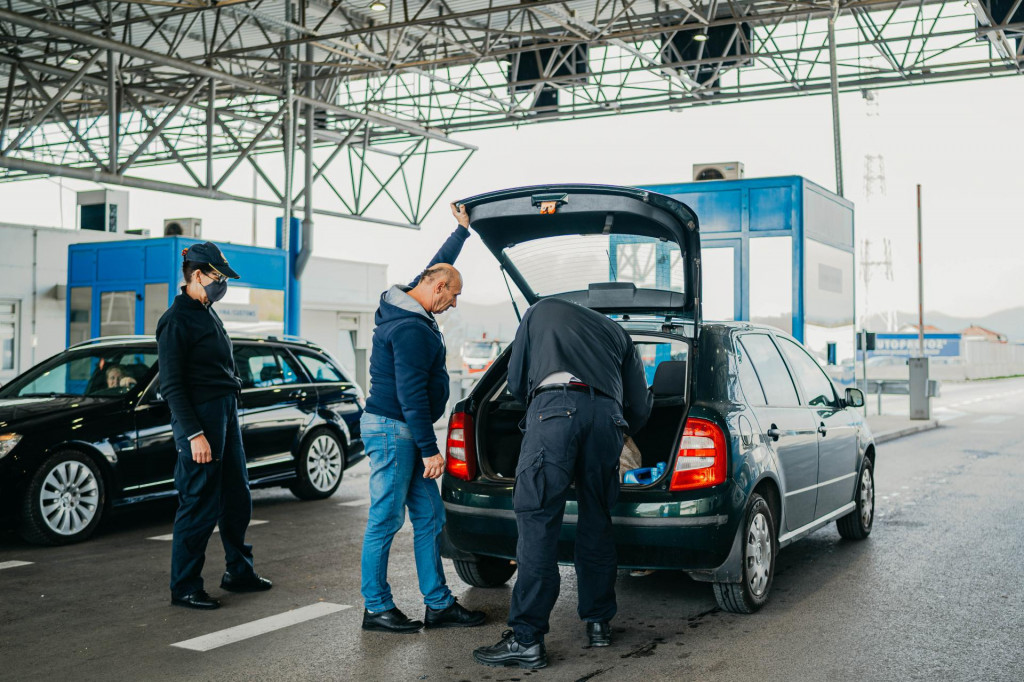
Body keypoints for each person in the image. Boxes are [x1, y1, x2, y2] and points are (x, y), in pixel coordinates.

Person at [473, 298, 653, 669]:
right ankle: (599, 623)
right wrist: (617, 427)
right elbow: (640, 404)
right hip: (608, 420)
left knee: (538, 521)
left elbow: (516, 379)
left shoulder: (540, 311)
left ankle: (527, 639)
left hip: (555, 409)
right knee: (597, 518)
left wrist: (543, 410)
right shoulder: (618, 334)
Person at [360, 203, 486, 634]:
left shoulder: (409, 302)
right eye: (450, 299)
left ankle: (438, 604)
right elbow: (410, 395)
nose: (449, 307)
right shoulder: (412, 328)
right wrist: (429, 450)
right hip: (396, 429)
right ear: (436, 289)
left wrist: (461, 232)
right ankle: (376, 607)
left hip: (401, 427)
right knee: (385, 519)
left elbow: (437, 267)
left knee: (430, 516)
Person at [156, 242, 272, 610]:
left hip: (224, 414)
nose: (222, 284)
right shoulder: (176, 320)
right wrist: (193, 433)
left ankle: (238, 572)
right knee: (199, 502)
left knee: (237, 498)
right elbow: (171, 384)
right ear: (197, 275)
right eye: (218, 277)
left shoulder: (207, 312)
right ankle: (185, 586)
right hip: (200, 419)